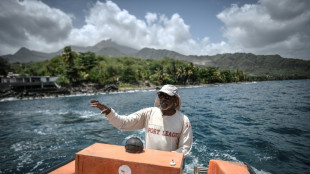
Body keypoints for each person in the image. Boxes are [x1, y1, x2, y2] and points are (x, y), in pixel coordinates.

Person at [90, 84, 193, 157]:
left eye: (167, 96)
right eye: (161, 96)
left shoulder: (184, 120)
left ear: (175, 100)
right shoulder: (148, 113)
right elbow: (123, 123)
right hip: (148, 161)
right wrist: (109, 112)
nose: (163, 99)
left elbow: (185, 147)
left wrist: (166, 158)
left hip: (170, 164)